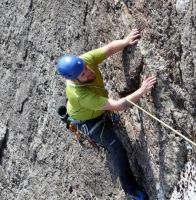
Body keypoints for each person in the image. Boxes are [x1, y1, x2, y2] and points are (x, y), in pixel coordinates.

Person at [56, 29, 156, 200]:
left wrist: (125, 41)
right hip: (88, 121)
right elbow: (117, 105)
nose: (88, 71)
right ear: (74, 80)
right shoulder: (81, 95)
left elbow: (108, 49)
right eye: (83, 74)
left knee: (106, 112)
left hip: (97, 108)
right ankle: (131, 191)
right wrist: (142, 90)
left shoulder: (82, 62)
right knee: (117, 149)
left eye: (85, 68)